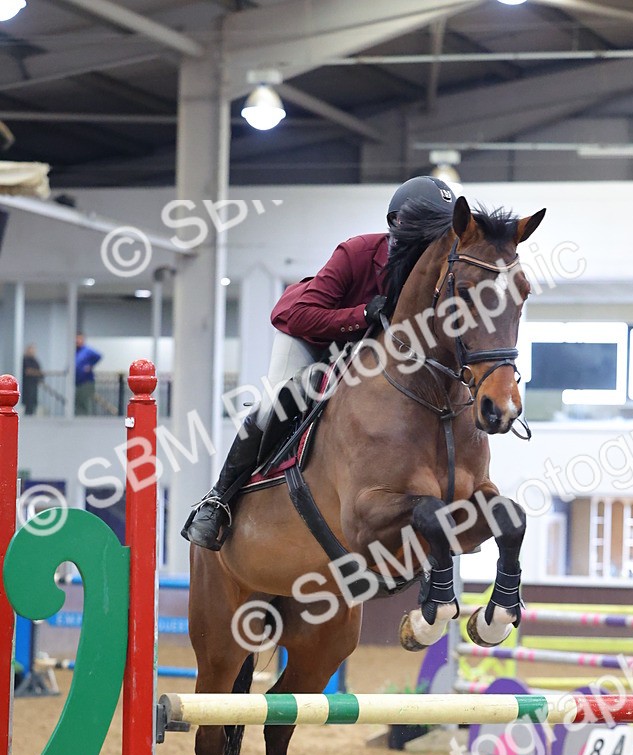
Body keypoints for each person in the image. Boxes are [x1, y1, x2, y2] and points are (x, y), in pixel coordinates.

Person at [182, 175, 456, 551]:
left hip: (367, 357)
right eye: (429, 234)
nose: (434, 245)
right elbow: (300, 314)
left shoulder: (435, 275)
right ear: (396, 225)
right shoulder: (358, 252)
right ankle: (217, 501)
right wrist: (361, 314)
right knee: (279, 400)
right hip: (312, 337)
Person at [74, 332, 102, 415]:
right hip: (77, 382)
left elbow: (99, 356)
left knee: (85, 402)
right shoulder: (75, 351)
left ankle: (85, 419)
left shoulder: (87, 350)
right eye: (76, 339)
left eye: (79, 339)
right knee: (77, 402)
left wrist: (90, 365)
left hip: (86, 381)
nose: (78, 341)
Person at [21, 344, 43, 415]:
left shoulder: (35, 361)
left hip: (34, 383)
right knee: (27, 400)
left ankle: (31, 413)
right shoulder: (24, 360)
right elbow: (27, 371)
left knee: (33, 400)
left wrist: (35, 373)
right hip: (26, 384)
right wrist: (34, 372)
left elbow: (39, 372)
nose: (32, 352)